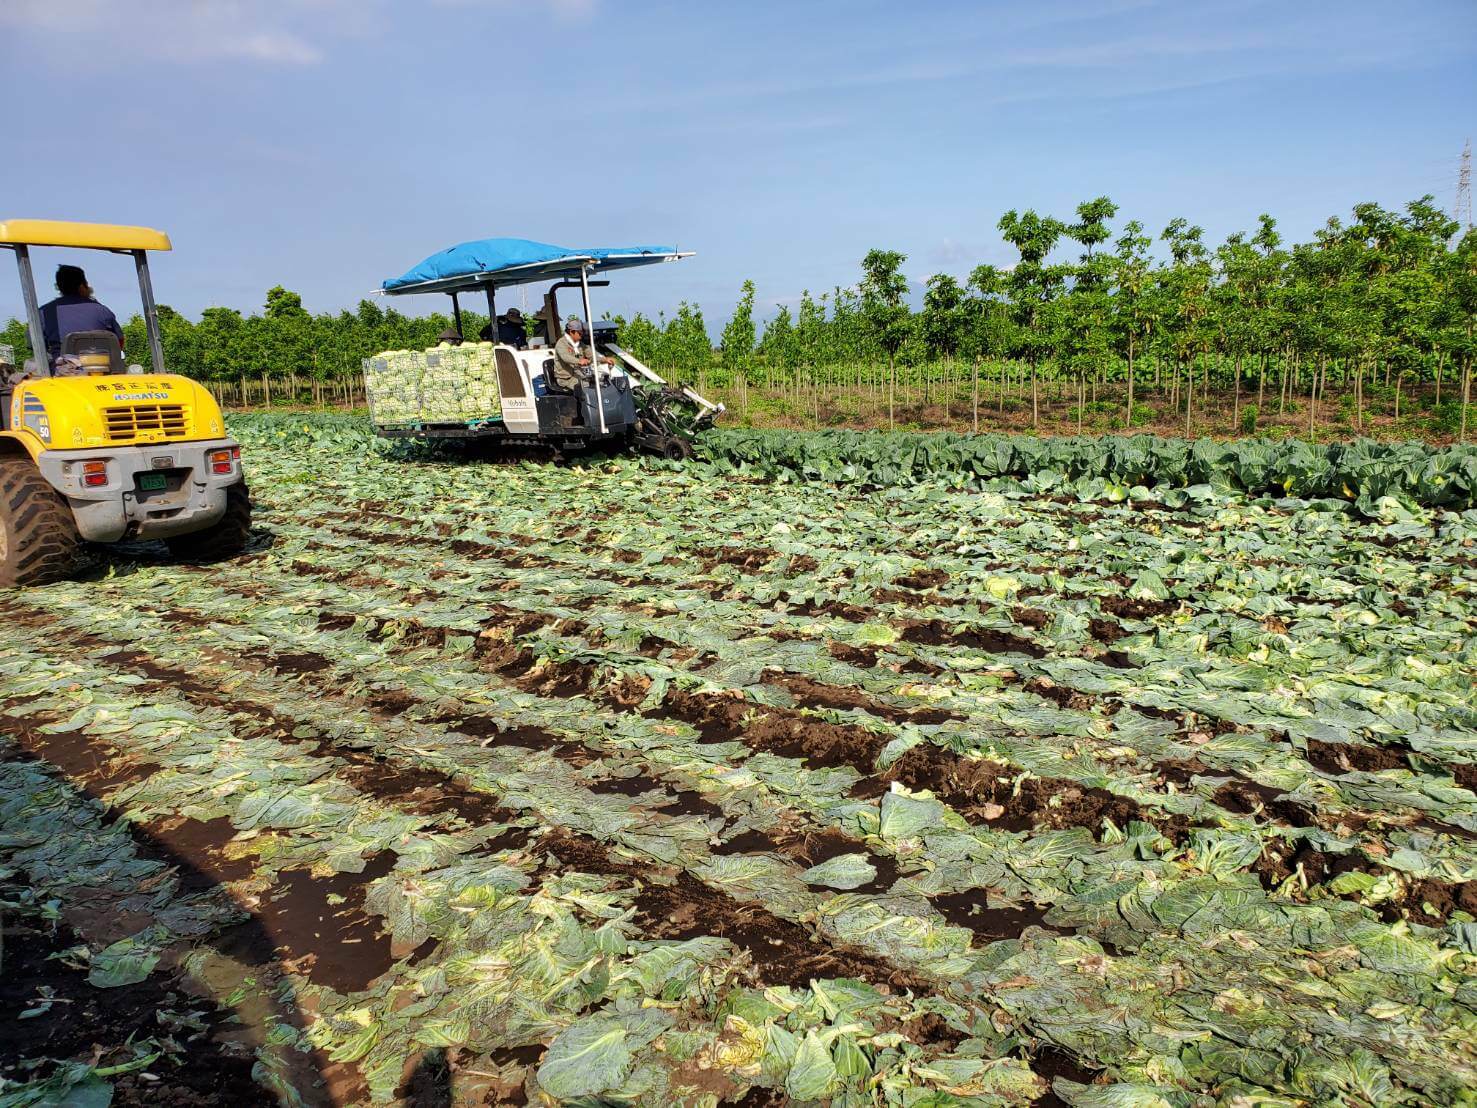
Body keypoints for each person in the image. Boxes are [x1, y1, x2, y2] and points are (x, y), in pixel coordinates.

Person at [40, 265, 124, 360]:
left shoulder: (44, 312)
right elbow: (119, 341)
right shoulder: (102, 310)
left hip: (61, 370)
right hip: (101, 368)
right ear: (83, 285)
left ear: (58, 286)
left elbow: (34, 345)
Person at [550, 318, 613, 393]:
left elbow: (591, 355)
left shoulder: (580, 344)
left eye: (582, 332)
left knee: (598, 383)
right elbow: (566, 357)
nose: (582, 335)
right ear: (571, 332)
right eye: (579, 333)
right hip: (565, 379)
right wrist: (579, 361)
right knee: (588, 389)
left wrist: (604, 359)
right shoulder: (561, 343)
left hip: (578, 375)